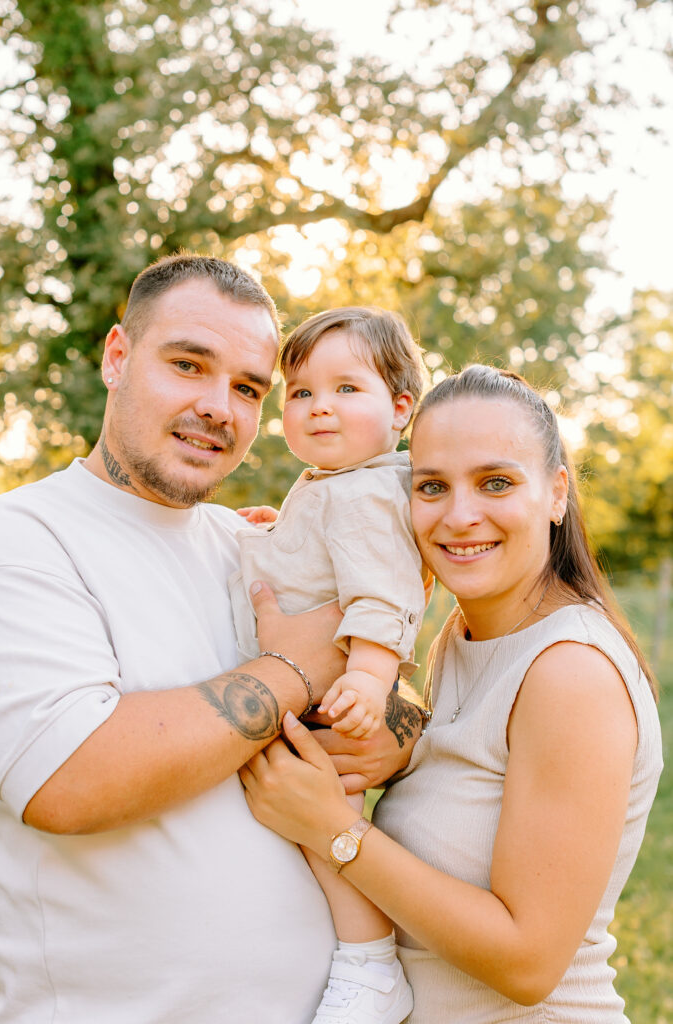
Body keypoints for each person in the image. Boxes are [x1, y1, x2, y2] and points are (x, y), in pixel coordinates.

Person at [0, 254, 420, 1024]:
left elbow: (389, 710)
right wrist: (295, 668)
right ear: (117, 357)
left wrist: (393, 726)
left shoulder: (253, 543)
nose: (219, 406)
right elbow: (68, 779)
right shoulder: (20, 539)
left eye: (249, 388)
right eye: (188, 364)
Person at [239, 364, 664, 1024]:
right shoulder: (460, 637)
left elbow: (527, 963)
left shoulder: (570, 671)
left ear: (555, 494)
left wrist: (334, 831)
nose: (460, 515)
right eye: (431, 486)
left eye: (495, 482)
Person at [230, 307, 430, 1023]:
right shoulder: (333, 483)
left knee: (331, 831)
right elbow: (317, 566)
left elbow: (383, 595)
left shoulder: (366, 493)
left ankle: (370, 963)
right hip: (311, 689)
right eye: (301, 392)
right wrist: (271, 535)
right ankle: (361, 958)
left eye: (347, 389)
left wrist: (371, 680)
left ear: (400, 408)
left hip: (334, 694)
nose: (319, 408)